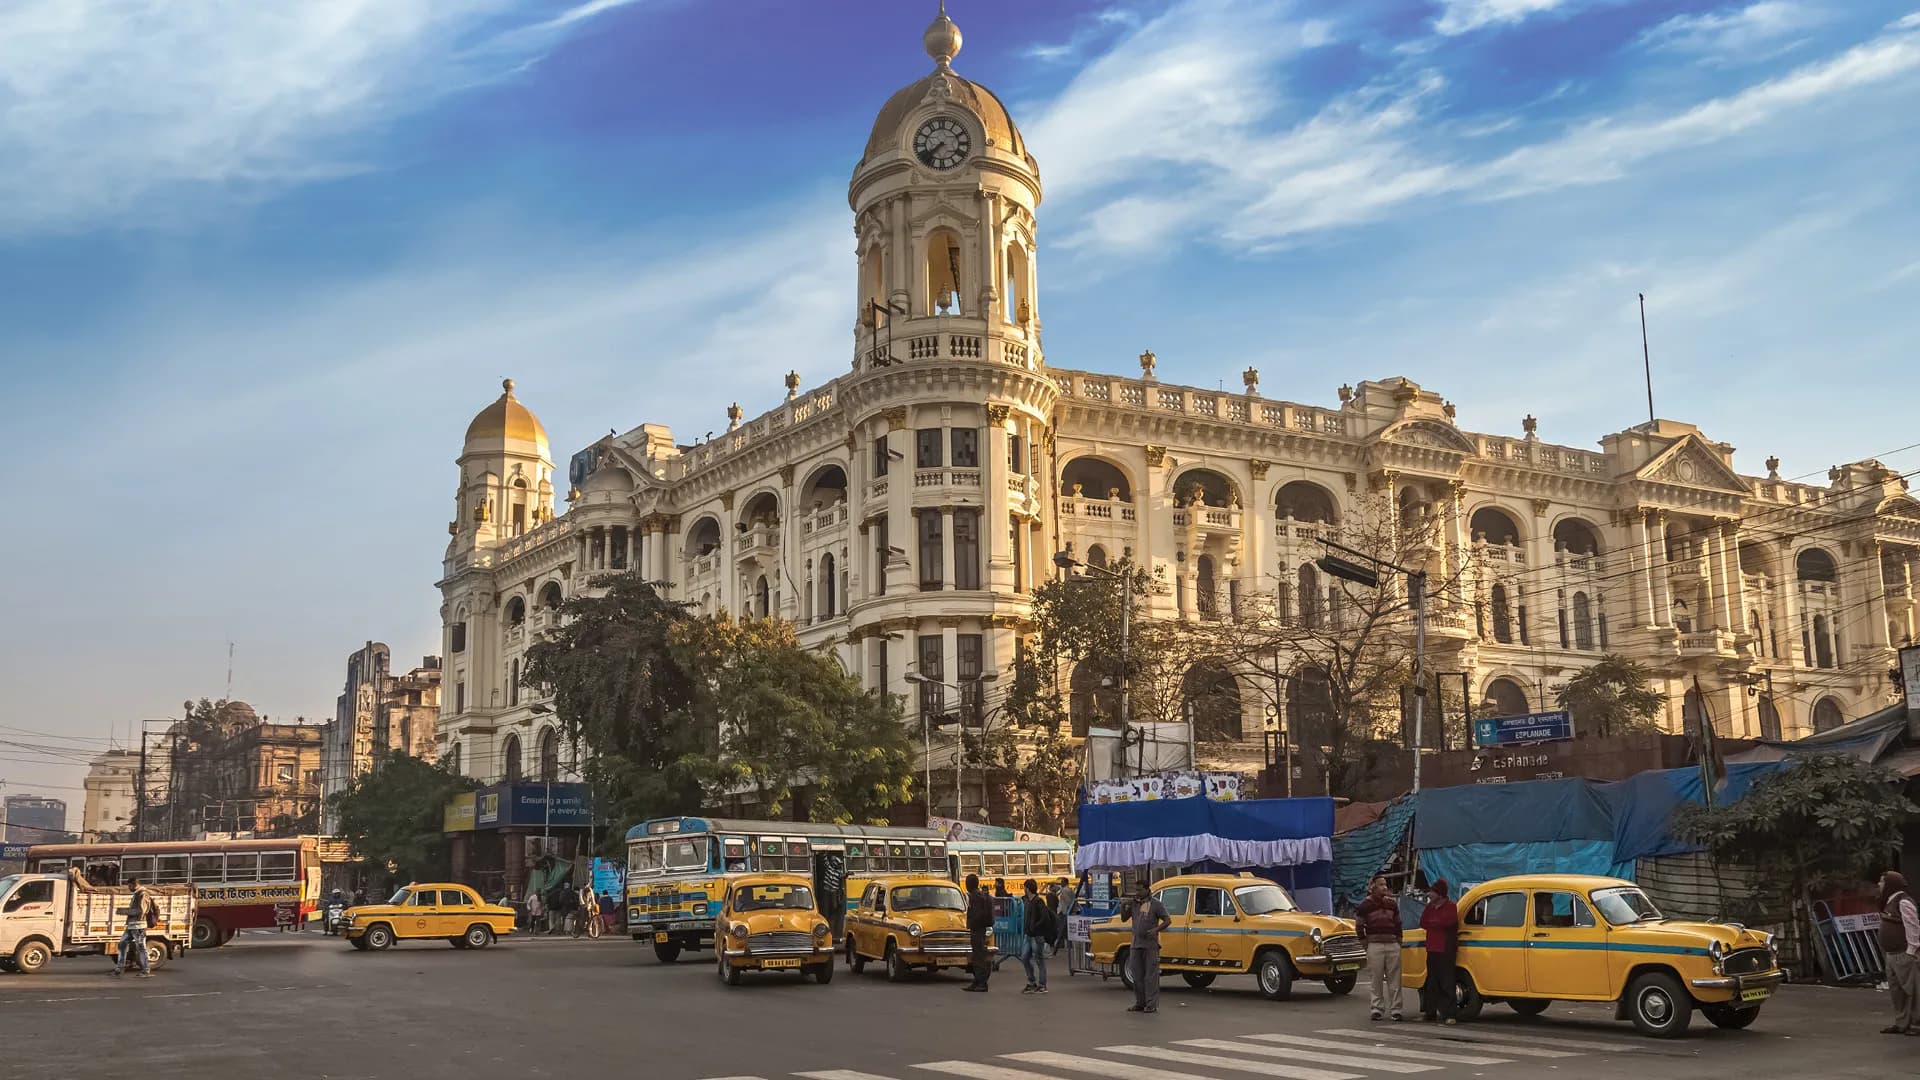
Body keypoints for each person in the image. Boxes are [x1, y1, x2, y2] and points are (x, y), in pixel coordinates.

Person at [1357, 875, 1405, 1022]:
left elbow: (1398, 924)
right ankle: (1376, 1009)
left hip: (1392, 944)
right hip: (1375, 945)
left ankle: (1396, 1010)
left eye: (1385, 884)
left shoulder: (1392, 904)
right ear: (1373, 887)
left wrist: (1398, 941)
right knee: (1375, 979)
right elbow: (1359, 926)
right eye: (1381, 885)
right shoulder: (1365, 905)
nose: (1384, 887)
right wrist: (1365, 943)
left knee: (1395, 980)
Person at [1120, 881, 1171, 1014]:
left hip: (1150, 945)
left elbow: (1167, 920)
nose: (1138, 893)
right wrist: (1123, 906)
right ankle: (1140, 1002)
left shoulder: (1155, 904)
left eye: (1140, 890)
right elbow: (1124, 919)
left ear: (1147, 890)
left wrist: (1156, 930)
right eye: (1136, 890)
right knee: (1137, 976)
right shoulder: (1134, 904)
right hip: (1136, 944)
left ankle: (1151, 1004)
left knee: (1150, 976)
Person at [1879, 870, 1920, 1035]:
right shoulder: (1888, 901)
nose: (1879, 884)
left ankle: (1917, 1024)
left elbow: (1913, 927)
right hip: (1891, 954)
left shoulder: (1903, 902)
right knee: (1897, 992)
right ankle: (1902, 1023)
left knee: (1914, 990)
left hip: (1903, 953)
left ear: (1890, 884)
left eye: (1882, 881)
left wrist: (1911, 951)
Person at [1418, 879, 1459, 1025]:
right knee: (1431, 982)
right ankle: (1430, 1012)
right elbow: (1423, 922)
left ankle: (1449, 1013)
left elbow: (1448, 922)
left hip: (1445, 949)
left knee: (1447, 982)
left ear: (1440, 894)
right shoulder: (1430, 907)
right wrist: (1435, 923)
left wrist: (1434, 923)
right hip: (1432, 948)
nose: (1429, 894)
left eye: (1432, 892)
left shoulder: (1451, 907)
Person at [111, 878, 154, 979]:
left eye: (129, 885)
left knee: (141, 948)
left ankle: (145, 970)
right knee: (122, 944)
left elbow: (141, 911)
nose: (128, 887)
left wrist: (124, 911)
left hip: (138, 926)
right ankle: (119, 969)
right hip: (132, 925)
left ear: (135, 884)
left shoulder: (143, 894)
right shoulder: (137, 894)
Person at [1019, 879, 1052, 994]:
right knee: (1024, 957)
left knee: (1039, 959)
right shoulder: (1027, 901)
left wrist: (1035, 926)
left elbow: (1045, 918)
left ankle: (1042, 985)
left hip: (1037, 935)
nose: (1024, 889)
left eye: (1024, 887)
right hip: (1028, 935)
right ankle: (1031, 982)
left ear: (1028, 889)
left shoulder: (1039, 901)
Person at [963, 873, 993, 992]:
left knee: (978, 956)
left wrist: (973, 922)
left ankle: (981, 982)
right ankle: (977, 981)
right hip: (978, 929)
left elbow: (977, 914)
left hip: (978, 929)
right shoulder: (978, 896)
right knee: (976, 955)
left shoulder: (976, 897)